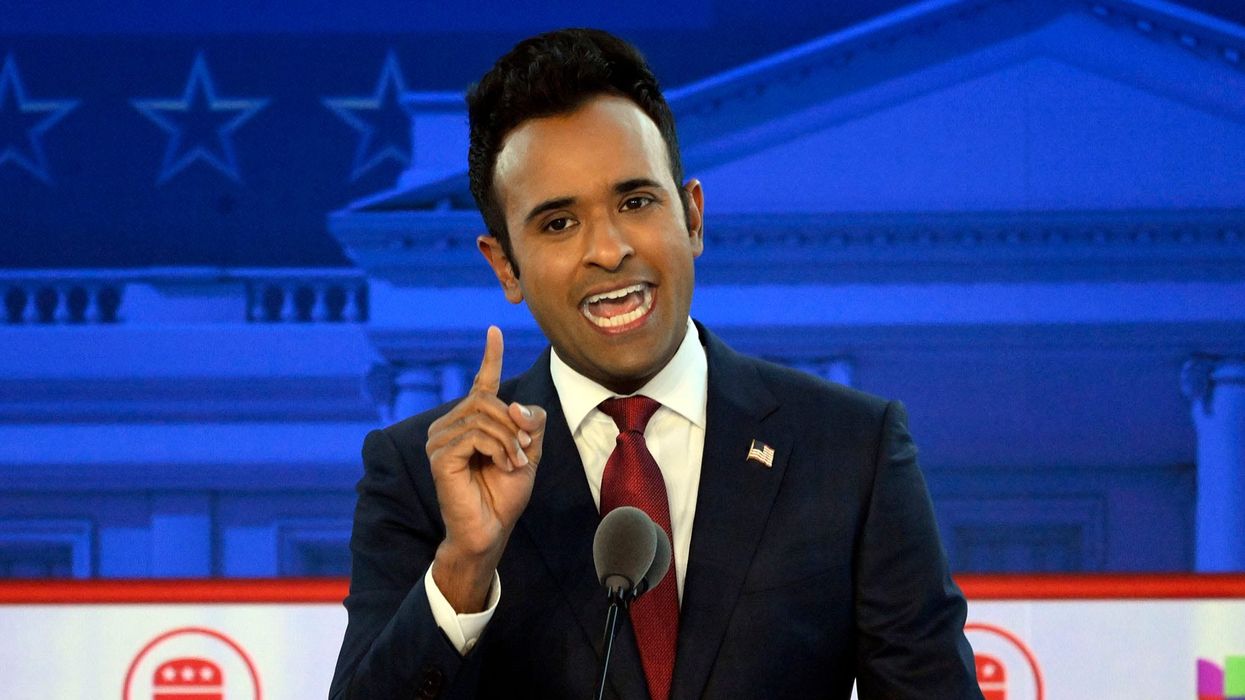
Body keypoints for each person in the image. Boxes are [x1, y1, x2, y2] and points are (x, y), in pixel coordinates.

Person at [330, 28, 981, 700]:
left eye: (635, 202)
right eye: (558, 223)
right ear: (505, 266)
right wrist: (464, 567)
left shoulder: (850, 447)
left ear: (692, 217)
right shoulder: (420, 477)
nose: (608, 250)